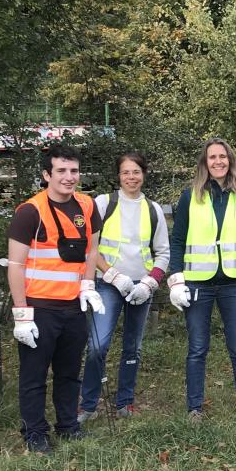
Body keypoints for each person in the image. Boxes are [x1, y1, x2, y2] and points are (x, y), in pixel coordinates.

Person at [6, 145, 106, 453]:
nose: (69, 177)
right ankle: (34, 432)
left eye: (74, 171)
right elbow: (15, 266)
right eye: (61, 171)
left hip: (74, 307)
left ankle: (68, 425)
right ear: (46, 174)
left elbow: (91, 251)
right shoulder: (29, 212)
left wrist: (89, 285)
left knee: (68, 372)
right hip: (40, 308)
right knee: (34, 375)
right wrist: (21, 314)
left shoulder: (87, 206)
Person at [166, 138, 236, 419]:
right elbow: (178, 239)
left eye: (223, 156)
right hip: (198, 282)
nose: (218, 162)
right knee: (197, 348)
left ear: (230, 160)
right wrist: (177, 279)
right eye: (212, 157)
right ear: (204, 163)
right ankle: (194, 408)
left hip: (234, 282)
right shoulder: (191, 195)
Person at [78, 152, 170, 422]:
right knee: (97, 345)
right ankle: (89, 404)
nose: (131, 177)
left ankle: (125, 402)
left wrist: (151, 282)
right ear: (118, 176)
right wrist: (112, 274)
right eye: (126, 172)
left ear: (144, 174)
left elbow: (163, 253)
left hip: (141, 286)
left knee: (133, 347)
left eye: (136, 172)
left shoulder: (153, 210)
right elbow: (89, 247)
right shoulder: (104, 204)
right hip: (108, 284)